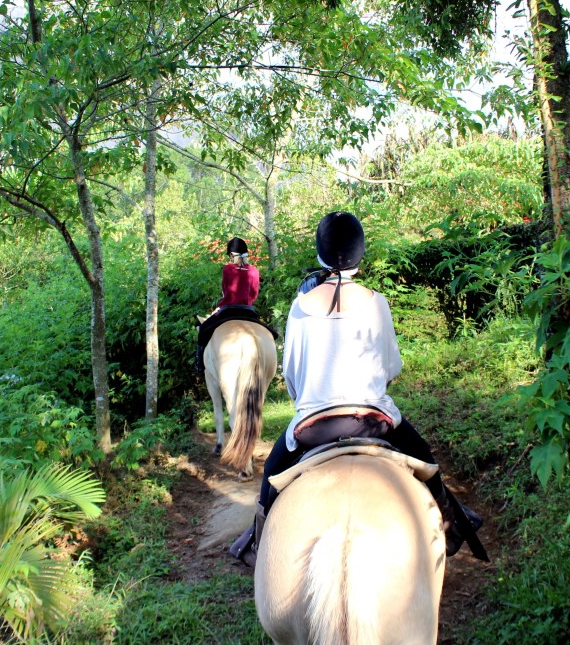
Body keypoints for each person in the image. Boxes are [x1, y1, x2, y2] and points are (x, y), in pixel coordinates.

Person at [229, 211, 486, 565]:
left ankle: (258, 543)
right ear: (359, 254)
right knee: (425, 458)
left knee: (271, 477)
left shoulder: (298, 307)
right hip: (373, 420)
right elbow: (391, 368)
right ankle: (449, 522)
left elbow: (291, 376)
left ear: (320, 254)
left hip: (312, 428)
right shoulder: (376, 301)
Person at [195, 237, 261, 372]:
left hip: (228, 309)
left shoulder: (228, 269)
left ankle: (199, 363)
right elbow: (254, 295)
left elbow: (226, 291)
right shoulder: (254, 271)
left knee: (203, 330)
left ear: (232, 255)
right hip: (248, 310)